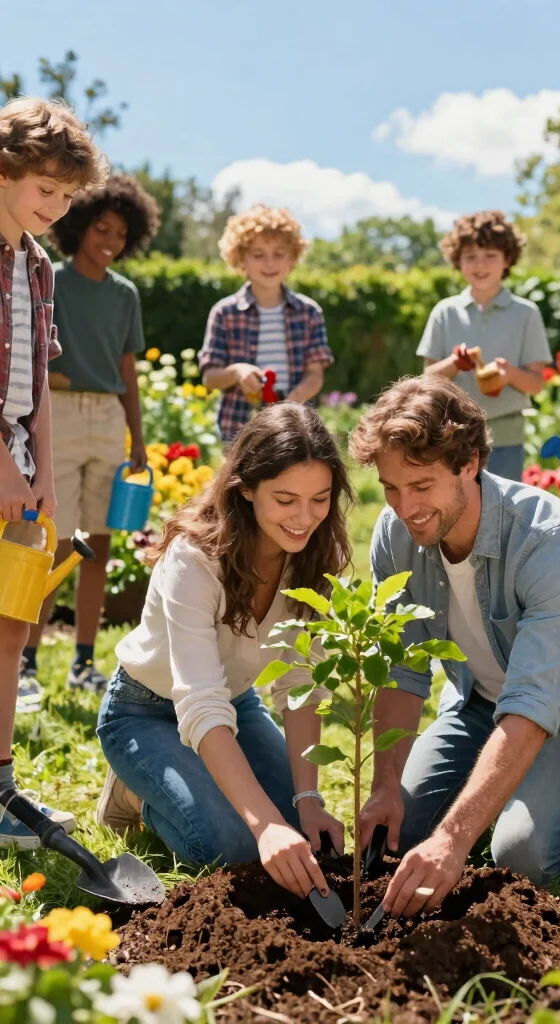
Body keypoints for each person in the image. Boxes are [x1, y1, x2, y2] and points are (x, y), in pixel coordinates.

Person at [347, 376, 560, 916]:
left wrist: (456, 838)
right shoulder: (395, 535)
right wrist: (385, 783)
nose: (404, 507)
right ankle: (512, 787)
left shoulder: (549, 540)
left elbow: (533, 703)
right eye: (391, 488)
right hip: (477, 705)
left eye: (421, 485)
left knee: (523, 856)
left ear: (470, 464)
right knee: (399, 834)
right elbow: (404, 670)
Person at [96, 403, 351, 894]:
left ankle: (194, 787)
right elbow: (199, 699)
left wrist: (309, 798)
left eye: (319, 499)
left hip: (236, 705)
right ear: (247, 488)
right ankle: (136, 791)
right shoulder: (194, 558)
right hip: (145, 711)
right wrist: (263, 825)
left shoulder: (319, 557)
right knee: (236, 846)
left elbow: (298, 681)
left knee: (300, 832)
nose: (304, 518)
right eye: (285, 499)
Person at [0, 97, 107, 848]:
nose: (56, 208)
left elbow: (38, 379)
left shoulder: (37, 266)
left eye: (67, 197)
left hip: (22, 466)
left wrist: (39, 471)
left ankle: (1, 786)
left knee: (11, 624)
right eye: (45, 191)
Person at [18, 175, 160, 705]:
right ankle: (26, 662)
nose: (111, 240)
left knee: (97, 545)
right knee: (51, 543)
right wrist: (46, 383)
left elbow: (128, 371)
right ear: (78, 226)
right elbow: (26, 352)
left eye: (122, 233)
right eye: (101, 227)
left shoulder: (126, 296)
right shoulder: (47, 279)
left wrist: (137, 438)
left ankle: (82, 662)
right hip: (58, 419)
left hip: (107, 422)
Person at [417, 211, 551, 482]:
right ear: (458, 261)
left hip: (506, 436)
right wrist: (454, 364)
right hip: (452, 436)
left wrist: (510, 374)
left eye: (490, 255)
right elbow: (427, 381)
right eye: (470, 257)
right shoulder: (444, 312)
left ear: (507, 259)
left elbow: (536, 384)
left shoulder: (526, 313)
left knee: (499, 512)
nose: (480, 265)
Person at [198, 205, 334, 443]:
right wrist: (237, 371)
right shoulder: (224, 312)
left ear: (292, 257)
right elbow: (210, 378)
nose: (269, 263)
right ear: (241, 259)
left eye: (279, 253)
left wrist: (291, 402)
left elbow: (315, 375)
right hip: (238, 428)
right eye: (258, 254)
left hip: (294, 428)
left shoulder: (309, 312)